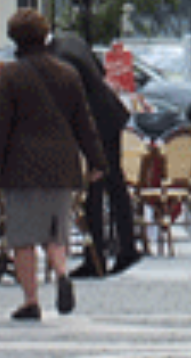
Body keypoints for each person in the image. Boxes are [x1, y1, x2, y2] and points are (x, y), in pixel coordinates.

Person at [0, 9, 106, 321]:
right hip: (61, 166)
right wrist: (97, 161)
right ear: (45, 34)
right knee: (54, 231)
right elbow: (83, 124)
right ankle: (61, 273)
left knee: (22, 237)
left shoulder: (12, 76)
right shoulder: (67, 74)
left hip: (20, 167)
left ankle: (31, 300)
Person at [50, 30, 140, 278]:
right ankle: (125, 247)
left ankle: (97, 256)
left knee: (96, 187)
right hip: (110, 113)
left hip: (96, 121)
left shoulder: (58, 58)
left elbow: (72, 97)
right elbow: (100, 74)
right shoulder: (72, 40)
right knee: (114, 185)